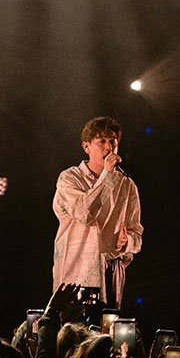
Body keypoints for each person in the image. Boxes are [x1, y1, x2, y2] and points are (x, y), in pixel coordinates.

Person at [52, 116, 143, 309]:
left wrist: (128, 241)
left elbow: (137, 233)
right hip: (77, 267)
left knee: (107, 329)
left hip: (112, 267)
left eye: (113, 142)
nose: (109, 147)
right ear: (86, 147)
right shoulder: (69, 179)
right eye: (102, 141)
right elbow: (84, 213)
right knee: (74, 329)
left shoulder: (127, 185)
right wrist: (107, 176)